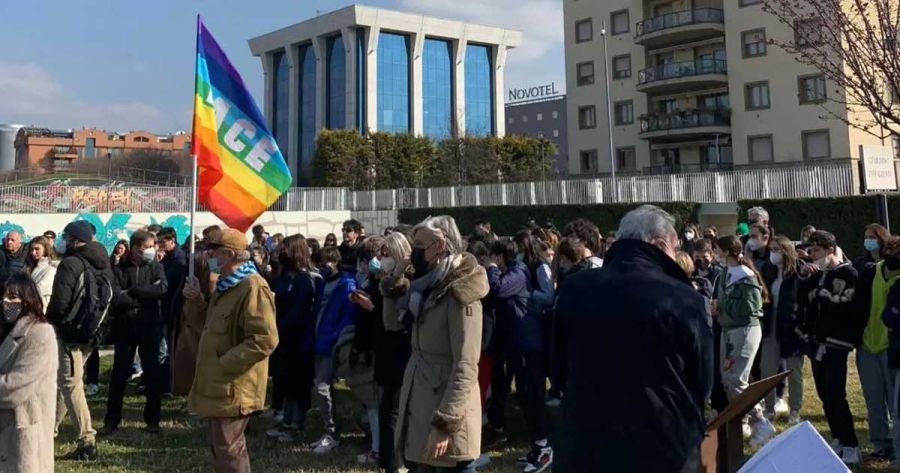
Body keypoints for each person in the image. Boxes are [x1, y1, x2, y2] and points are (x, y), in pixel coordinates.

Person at [555, 205, 712, 473]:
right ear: (660, 244)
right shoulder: (684, 298)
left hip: (586, 443)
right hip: (662, 447)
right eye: (675, 249)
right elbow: (702, 382)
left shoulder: (574, 288)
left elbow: (557, 370)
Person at [396, 216, 486, 473]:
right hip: (421, 403)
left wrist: (444, 424)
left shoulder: (461, 292)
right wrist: (395, 276)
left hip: (446, 412)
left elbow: (466, 365)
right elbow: (392, 322)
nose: (414, 252)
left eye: (420, 246)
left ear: (440, 244)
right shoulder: (424, 287)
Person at [184, 228, 278, 473]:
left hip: (235, 385)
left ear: (228, 254)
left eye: (211, 251)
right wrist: (194, 299)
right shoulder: (225, 286)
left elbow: (264, 339)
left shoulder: (252, 287)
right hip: (219, 384)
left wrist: (224, 363)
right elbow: (204, 324)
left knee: (229, 449)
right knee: (220, 447)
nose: (208, 256)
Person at [488, 235, 553, 473]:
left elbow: (497, 290)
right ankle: (537, 446)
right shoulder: (514, 271)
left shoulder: (517, 272)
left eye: (493, 257)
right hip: (517, 344)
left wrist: (493, 269)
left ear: (500, 255)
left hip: (528, 344)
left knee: (533, 396)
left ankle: (545, 447)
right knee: (525, 396)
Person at [797, 230, 863, 465]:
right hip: (818, 342)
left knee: (836, 394)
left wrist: (822, 295)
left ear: (830, 250)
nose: (811, 255)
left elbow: (845, 304)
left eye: (816, 251)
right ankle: (837, 437)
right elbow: (806, 301)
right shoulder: (820, 274)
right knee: (825, 394)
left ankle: (851, 443)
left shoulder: (847, 273)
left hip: (836, 342)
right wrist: (806, 280)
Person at [46, 221, 105, 461]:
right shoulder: (102, 261)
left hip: (70, 334)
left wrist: (49, 324)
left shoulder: (70, 263)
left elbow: (59, 302)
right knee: (67, 381)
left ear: (73, 239)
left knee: (70, 385)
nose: (62, 240)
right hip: (91, 333)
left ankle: (86, 440)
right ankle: (49, 429)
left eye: (65, 236)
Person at [99, 230, 168, 435]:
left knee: (152, 372)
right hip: (125, 327)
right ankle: (111, 420)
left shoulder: (156, 267)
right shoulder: (119, 268)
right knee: (119, 374)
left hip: (150, 325)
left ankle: (153, 420)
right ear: (138, 248)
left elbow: (162, 289)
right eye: (150, 246)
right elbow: (116, 297)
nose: (154, 249)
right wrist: (143, 292)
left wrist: (134, 291)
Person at [714, 235, 776, 446]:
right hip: (728, 329)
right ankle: (746, 420)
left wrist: (722, 306)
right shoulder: (724, 274)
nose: (715, 253)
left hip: (744, 330)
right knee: (728, 377)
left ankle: (761, 422)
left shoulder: (746, 276)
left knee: (736, 379)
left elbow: (750, 309)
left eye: (717, 249)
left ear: (727, 251)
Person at [0, 273, 59, 473]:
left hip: (24, 428)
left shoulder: (40, 333)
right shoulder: (7, 330)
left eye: (13, 297)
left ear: (28, 298)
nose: (6, 302)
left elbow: (16, 385)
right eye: (4, 297)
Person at [267, 235, 321, 444]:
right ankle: (286, 419)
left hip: (298, 340)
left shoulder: (306, 279)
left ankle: (296, 423)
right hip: (282, 339)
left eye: (285, 249)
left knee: (298, 382)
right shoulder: (285, 277)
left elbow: (299, 311)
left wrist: (279, 328)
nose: (281, 253)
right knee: (284, 380)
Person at [854, 236, 900, 460]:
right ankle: (881, 443)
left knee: (895, 402)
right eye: (890, 249)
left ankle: (897, 445)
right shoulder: (871, 271)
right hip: (868, 344)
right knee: (873, 400)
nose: (893, 254)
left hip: (893, 348)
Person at [310, 246, 357, 454]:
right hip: (317, 341)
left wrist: (335, 338)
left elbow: (347, 316)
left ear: (335, 262)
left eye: (326, 263)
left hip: (331, 344)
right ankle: (327, 430)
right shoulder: (322, 284)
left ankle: (332, 433)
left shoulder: (346, 285)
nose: (323, 267)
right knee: (320, 388)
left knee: (322, 387)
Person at [375, 231, 414, 473]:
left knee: (394, 409)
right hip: (387, 347)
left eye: (388, 253)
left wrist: (397, 272)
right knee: (387, 408)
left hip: (402, 347)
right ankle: (390, 458)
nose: (383, 257)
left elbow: (394, 317)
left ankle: (397, 462)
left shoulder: (405, 278)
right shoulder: (388, 277)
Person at [348, 236, 387, 464]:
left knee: (376, 403)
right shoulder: (370, 281)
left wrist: (370, 307)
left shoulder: (387, 284)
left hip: (378, 348)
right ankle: (377, 443)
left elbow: (388, 318)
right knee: (373, 403)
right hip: (368, 347)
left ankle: (378, 448)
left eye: (366, 260)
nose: (363, 266)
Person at [761, 236, 805, 425]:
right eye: (771, 249)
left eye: (777, 249)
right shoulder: (767, 271)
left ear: (786, 251)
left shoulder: (798, 272)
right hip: (771, 324)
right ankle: (769, 408)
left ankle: (795, 409)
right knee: (767, 369)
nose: (773, 253)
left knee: (795, 371)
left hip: (791, 326)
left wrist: (799, 325)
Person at [157, 227, 187, 396]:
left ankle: (170, 384)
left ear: (172, 241)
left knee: (168, 348)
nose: (159, 245)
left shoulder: (179, 260)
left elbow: (170, 283)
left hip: (173, 308)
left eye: (162, 242)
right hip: (165, 307)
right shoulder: (166, 258)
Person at [25, 236, 57, 309]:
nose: (33, 252)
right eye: (31, 249)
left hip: (41, 309)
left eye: (37, 249)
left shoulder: (51, 269)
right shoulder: (29, 266)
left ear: (45, 249)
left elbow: (39, 289)